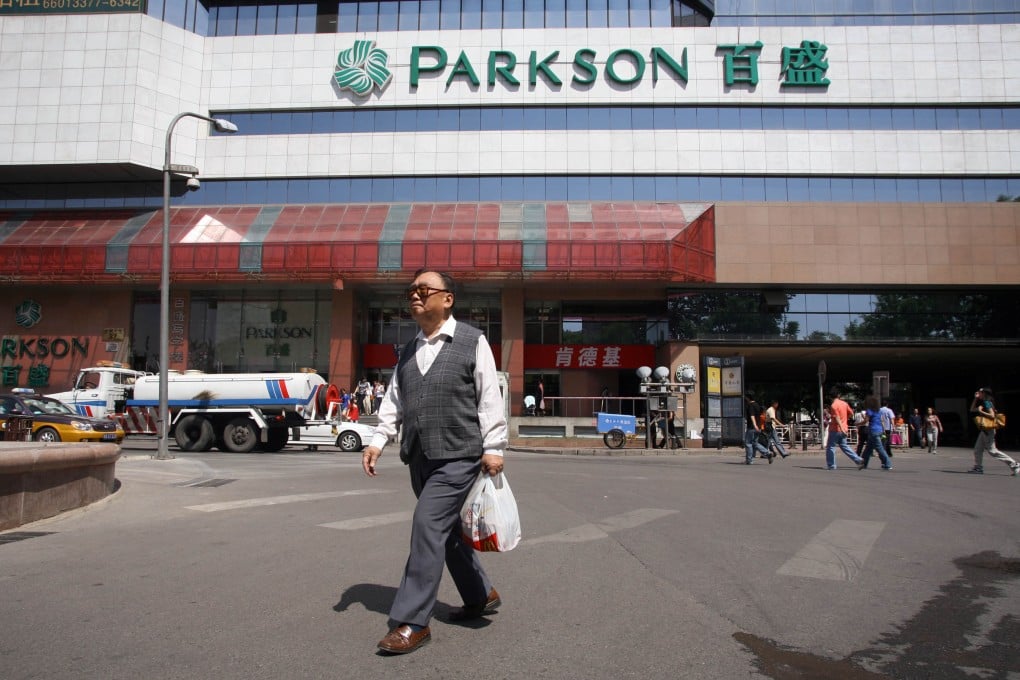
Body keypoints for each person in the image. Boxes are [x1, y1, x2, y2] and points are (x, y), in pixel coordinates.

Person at [361, 269, 509, 654]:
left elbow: (488, 395)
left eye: (423, 289)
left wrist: (495, 446)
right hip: (420, 456)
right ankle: (479, 594)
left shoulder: (472, 341)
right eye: (411, 290)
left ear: (447, 298)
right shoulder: (408, 350)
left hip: (460, 454)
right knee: (445, 531)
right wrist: (378, 440)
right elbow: (395, 399)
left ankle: (412, 621)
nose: (414, 295)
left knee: (427, 524)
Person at [968, 387, 1018, 476]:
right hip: (984, 430)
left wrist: (980, 411)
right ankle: (978, 468)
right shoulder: (984, 402)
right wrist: (975, 399)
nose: (978, 393)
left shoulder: (987, 402)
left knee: (993, 451)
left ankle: (1015, 464)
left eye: (980, 392)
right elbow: (971, 409)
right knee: (977, 449)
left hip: (989, 430)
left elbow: (992, 415)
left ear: (984, 393)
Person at [824, 388, 865, 470]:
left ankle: (831, 465)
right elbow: (851, 413)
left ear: (830, 397)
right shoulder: (844, 403)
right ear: (838, 395)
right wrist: (845, 420)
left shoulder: (833, 405)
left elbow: (837, 418)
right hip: (844, 428)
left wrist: (841, 427)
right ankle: (858, 459)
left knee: (831, 447)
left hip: (835, 429)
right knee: (845, 446)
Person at [858, 395, 892, 470]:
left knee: (879, 449)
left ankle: (888, 464)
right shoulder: (878, 410)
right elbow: (881, 420)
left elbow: (865, 421)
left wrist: (857, 424)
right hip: (878, 430)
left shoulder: (869, 411)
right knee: (868, 449)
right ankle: (864, 463)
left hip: (873, 431)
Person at [743, 394, 772, 464]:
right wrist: (757, 426)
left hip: (752, 427)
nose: (745, 399)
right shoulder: (757, 405)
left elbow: (752, 415)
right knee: (755, 443)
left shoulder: (750, 405)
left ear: (748, 398)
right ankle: (767, 453)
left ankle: (749, 460)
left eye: (746, 397)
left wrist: (754, 424)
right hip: (758, 427)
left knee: (748, 443)